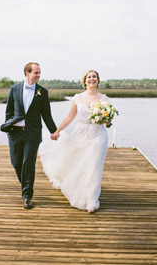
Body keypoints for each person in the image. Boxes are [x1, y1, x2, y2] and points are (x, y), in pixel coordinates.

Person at [39, 70, 110, 213]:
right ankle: (79, 189)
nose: (92, 79)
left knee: (94, 166)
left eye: (94, 77)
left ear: (98, 80)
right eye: (89, 77)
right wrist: (57, 130)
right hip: (81, 132)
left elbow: (108, 122)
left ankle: (91, 199)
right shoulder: (78, 98)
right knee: (80, 164)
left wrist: (106, 118)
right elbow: (70, 117)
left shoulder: (104, 99)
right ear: (85, 81)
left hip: (98, 135)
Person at [1, 62, 58, 209]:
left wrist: (54, 130)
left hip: (32, 134)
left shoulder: (42, 92)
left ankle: (27, 195)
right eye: (36, 73)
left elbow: (46, 114)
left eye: (39, 73)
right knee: (16, 163)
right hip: (15, 133)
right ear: (27, 73)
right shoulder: (14, 88)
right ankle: (25, 186)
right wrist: (8, 128)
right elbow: (9, 111)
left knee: (28, 163)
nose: (39, 75)